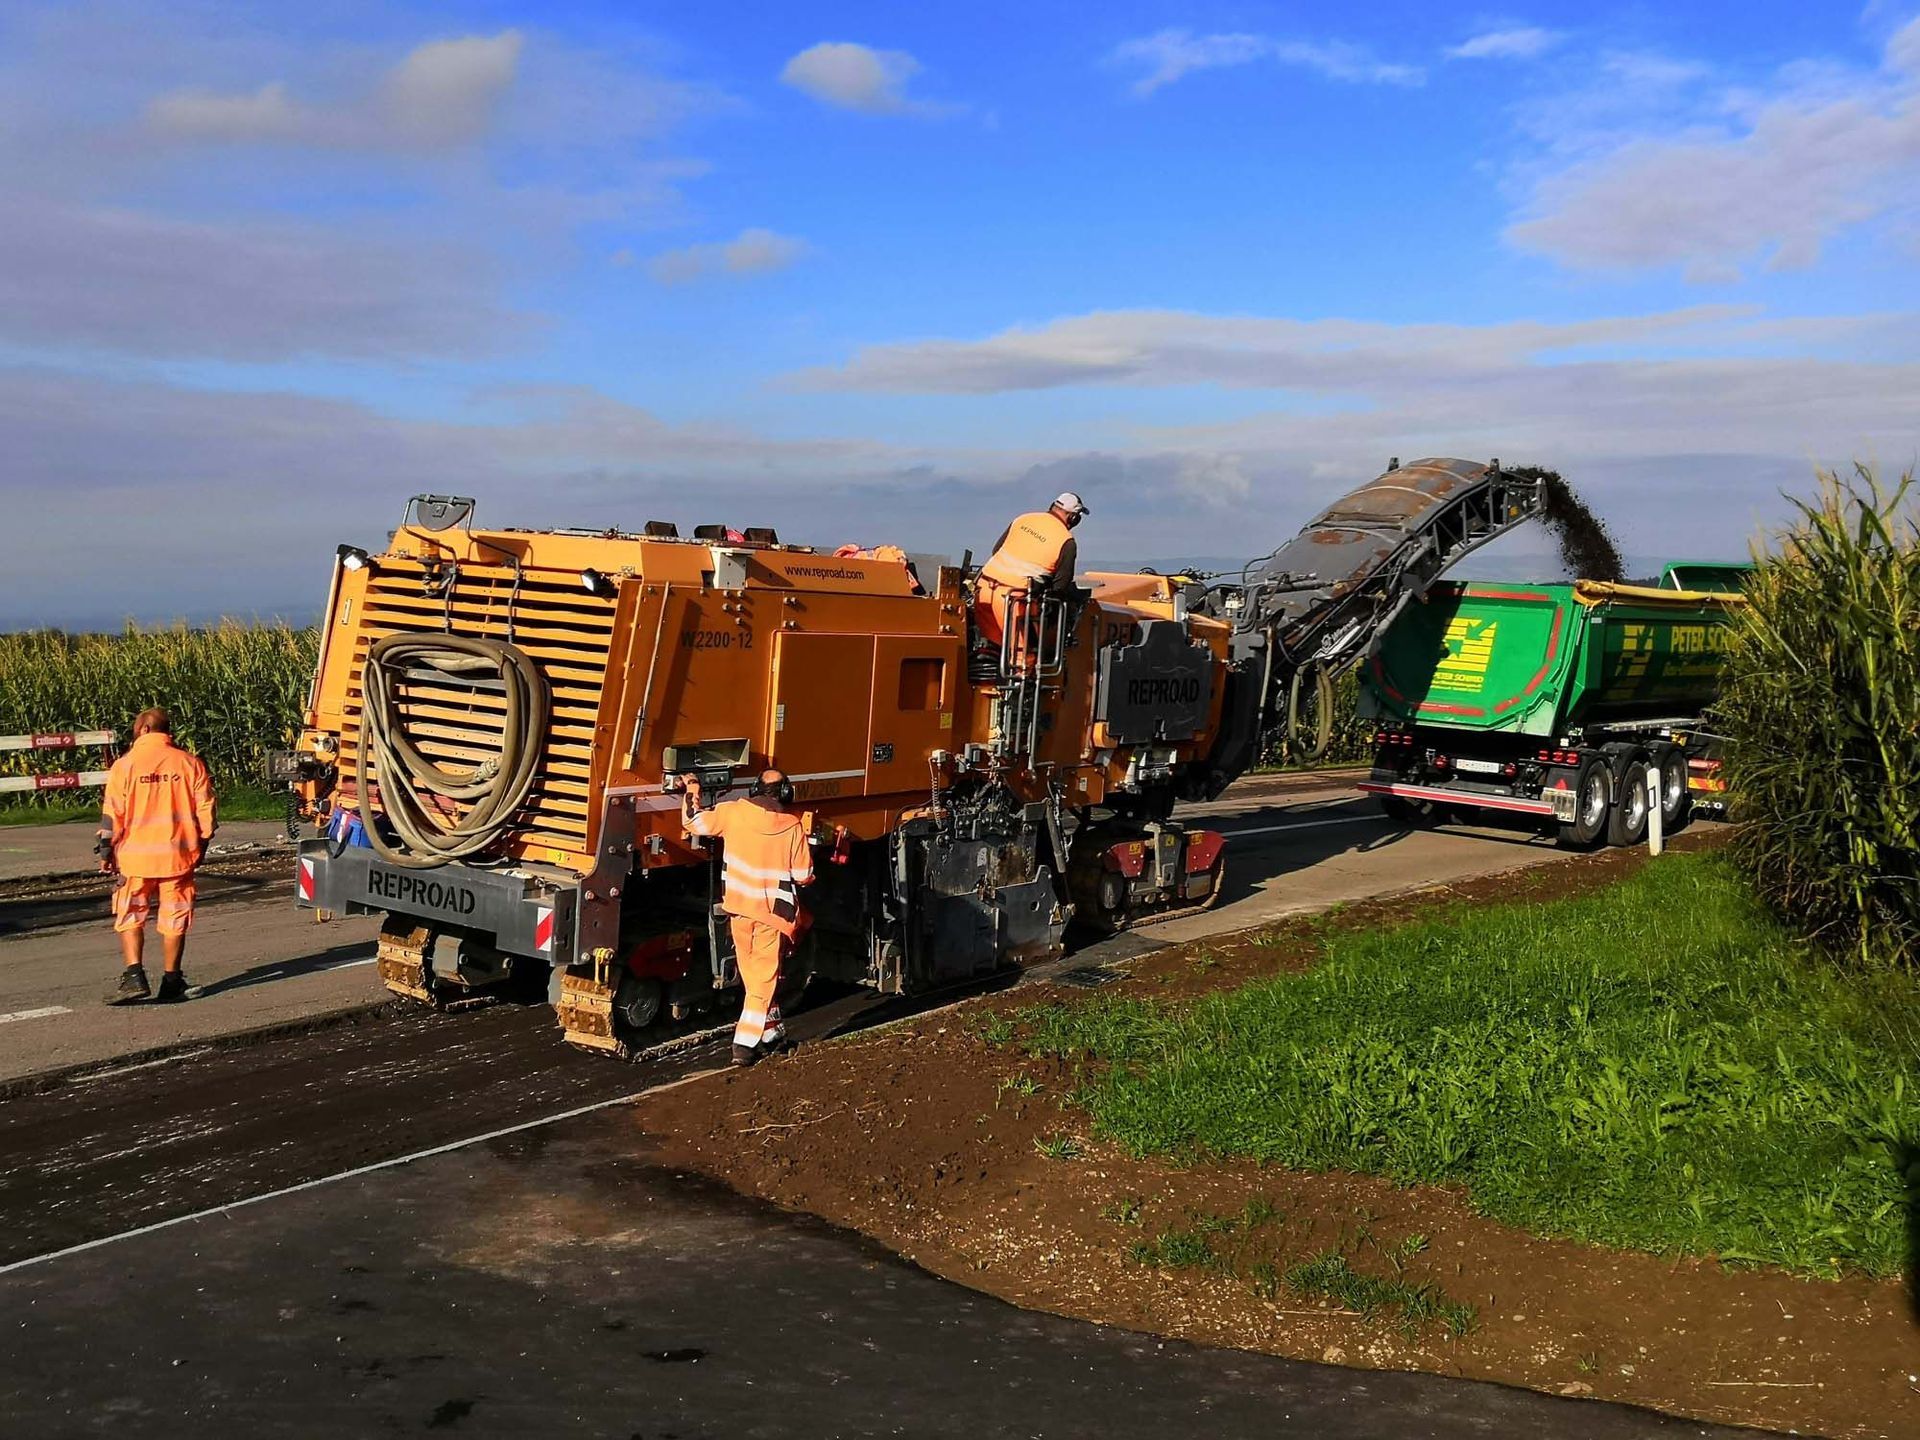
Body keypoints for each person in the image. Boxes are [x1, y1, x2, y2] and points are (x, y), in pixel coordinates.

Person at [682, 768, 814, 1067]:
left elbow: (693, 821)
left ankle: (772, 1035)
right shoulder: (792, 826)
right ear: (785, 793)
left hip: (739, 910)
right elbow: (803, 876)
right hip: (772, 916)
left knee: (754, 979)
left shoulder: (731, 813)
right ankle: (744, 1044)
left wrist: (692, 786)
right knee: (764, 981)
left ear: (755, 788)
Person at [97, 708, 217, 1004]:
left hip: (134, 859)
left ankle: (134, 975)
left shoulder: (124, 766)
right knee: (175, 918)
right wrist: (200, 847)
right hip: (177, 858)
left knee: (130, 915)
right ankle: (172, 981)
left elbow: (113, 815)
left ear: (144, 731)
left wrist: (105, 851)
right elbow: (207, 815)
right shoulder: (190, 764)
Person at [972, 491, 1089, 648]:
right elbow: (1060, 586)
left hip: (984, 591)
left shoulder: (1023, 519)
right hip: (1014, 601)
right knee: (1023, 658)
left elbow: (996, 550)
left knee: (990, 647)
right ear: (1073, 517)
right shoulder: (1066, 540)